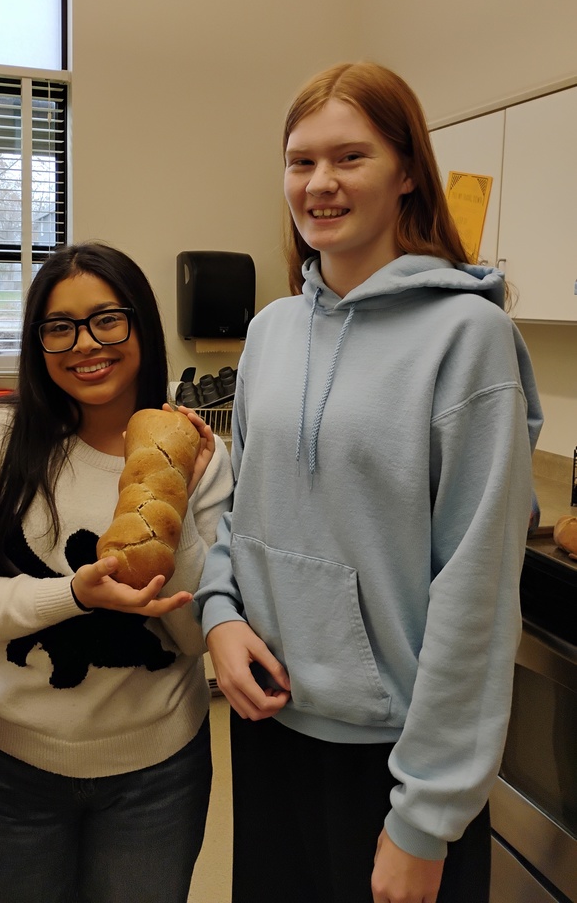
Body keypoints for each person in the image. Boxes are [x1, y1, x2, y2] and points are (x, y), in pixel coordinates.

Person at [194, 62, 543, 903]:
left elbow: (477, 593)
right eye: (299, 161)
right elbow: (243, 509)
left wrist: (426, 815)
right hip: (272, 724)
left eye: (349, 158)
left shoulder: (469, 336)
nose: (318, 184)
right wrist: (220, 615)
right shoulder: (271, 332)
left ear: (407, 171)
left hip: (396, 758)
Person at [0, 242, 234, 903]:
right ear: (37, 340)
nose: (85, 344)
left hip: (157, 775)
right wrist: (71, 593)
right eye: (59, 326)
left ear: (140, 326)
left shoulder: (200, 456)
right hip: (18, 771)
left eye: (106, 319)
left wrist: (178, 497)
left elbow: (191, 637)